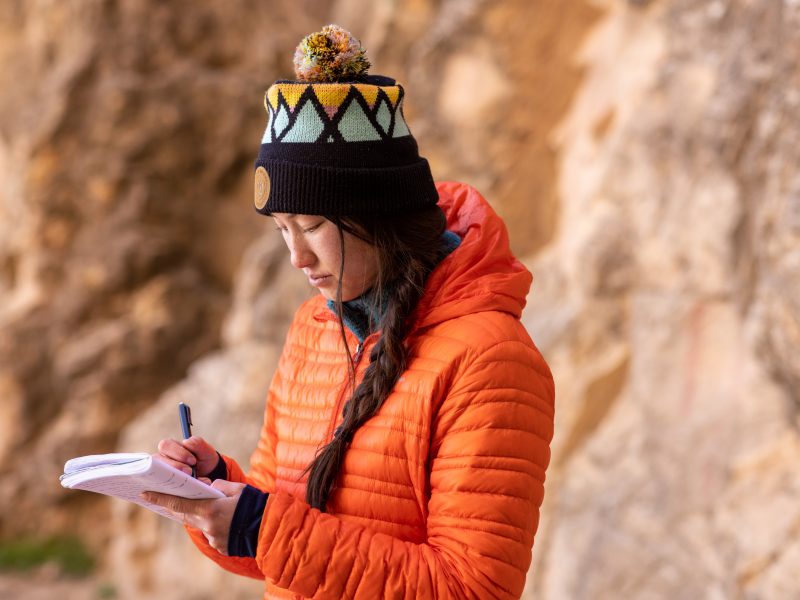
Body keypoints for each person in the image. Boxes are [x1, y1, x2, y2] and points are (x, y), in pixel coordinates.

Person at [143, 24, 555, 600]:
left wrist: (263, 527)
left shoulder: (490, 360)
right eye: (282, 230)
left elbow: (473, 587)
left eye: (312, 226)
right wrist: (221, 495)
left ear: (379, 214)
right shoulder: (313, 329)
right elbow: (284, 543)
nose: (297, 256)